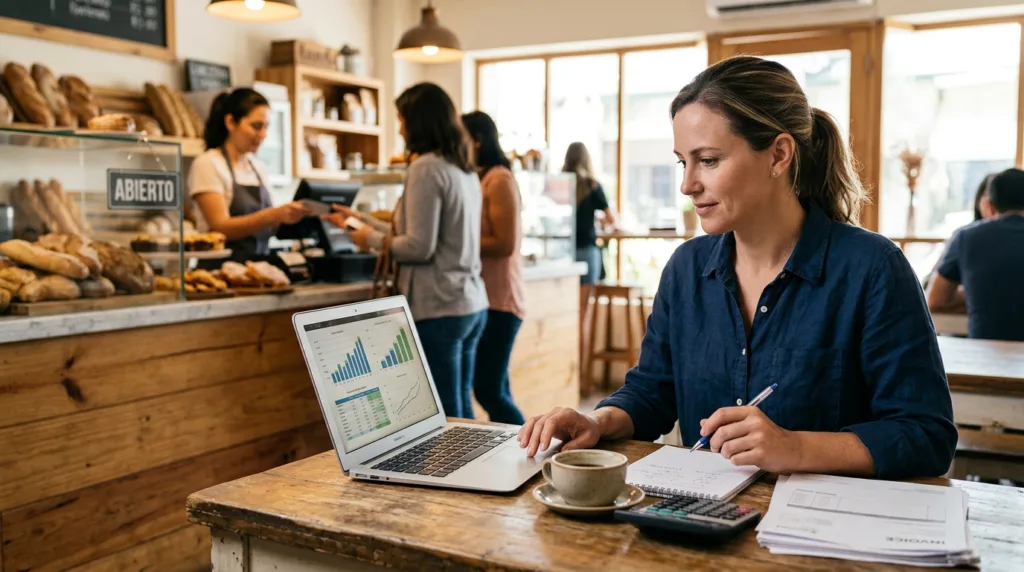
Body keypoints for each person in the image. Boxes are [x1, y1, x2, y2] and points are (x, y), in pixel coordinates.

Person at [518, 56, 957, 480]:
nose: (688, 184)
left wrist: (794, 447)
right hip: (699, 521)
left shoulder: (874, 269)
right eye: (682, 162)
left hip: (817, 537)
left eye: (708, 160)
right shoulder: (686, 269)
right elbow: (653, 392)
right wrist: (599, 420)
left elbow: (926, 435)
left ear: (778, 155)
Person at [325, 83, 489, 419]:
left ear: (417, 121)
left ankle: (456, 471)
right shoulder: (463, 169)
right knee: (462, 411)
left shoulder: (425, 168)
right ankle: (473, 470)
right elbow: (423, 234)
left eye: (400, 118)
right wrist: (359, 221)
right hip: (470, 303)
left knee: (446, 415)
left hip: (438, 305)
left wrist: (369, 239)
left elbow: (418, 247)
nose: (398, 128)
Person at [188, 88, 309, 260]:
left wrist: (295, 215)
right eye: (256, 126)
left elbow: (270, 225)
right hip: (220, 272)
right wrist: (272, 215)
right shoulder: (208, 163)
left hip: (259, 269)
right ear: (230, 122)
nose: (263, 135)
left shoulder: (258, 167)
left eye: (266, 127)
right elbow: (220, 227)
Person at [461, 110, 527, 424]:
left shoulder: (499, 178)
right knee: (494, 388)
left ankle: (531, 448)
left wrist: (455, 242)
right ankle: (519, 452)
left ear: (476, 139)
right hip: (484, 299)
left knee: (489, 391)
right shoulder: (477, 178)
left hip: (500, 301)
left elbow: (505, 243)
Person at [927, 168, 1024, 341]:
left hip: (983, 355)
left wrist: (978, 293)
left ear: (990, 205)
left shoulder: (966, 237)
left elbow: (936, 300)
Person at [563, 142, 617, 285]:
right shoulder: (592, 185)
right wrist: (599, 222)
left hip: (564, 250)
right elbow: (611, 219)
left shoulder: (560, 183)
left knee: (567, 301)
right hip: (587, 246)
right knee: (584, 305)